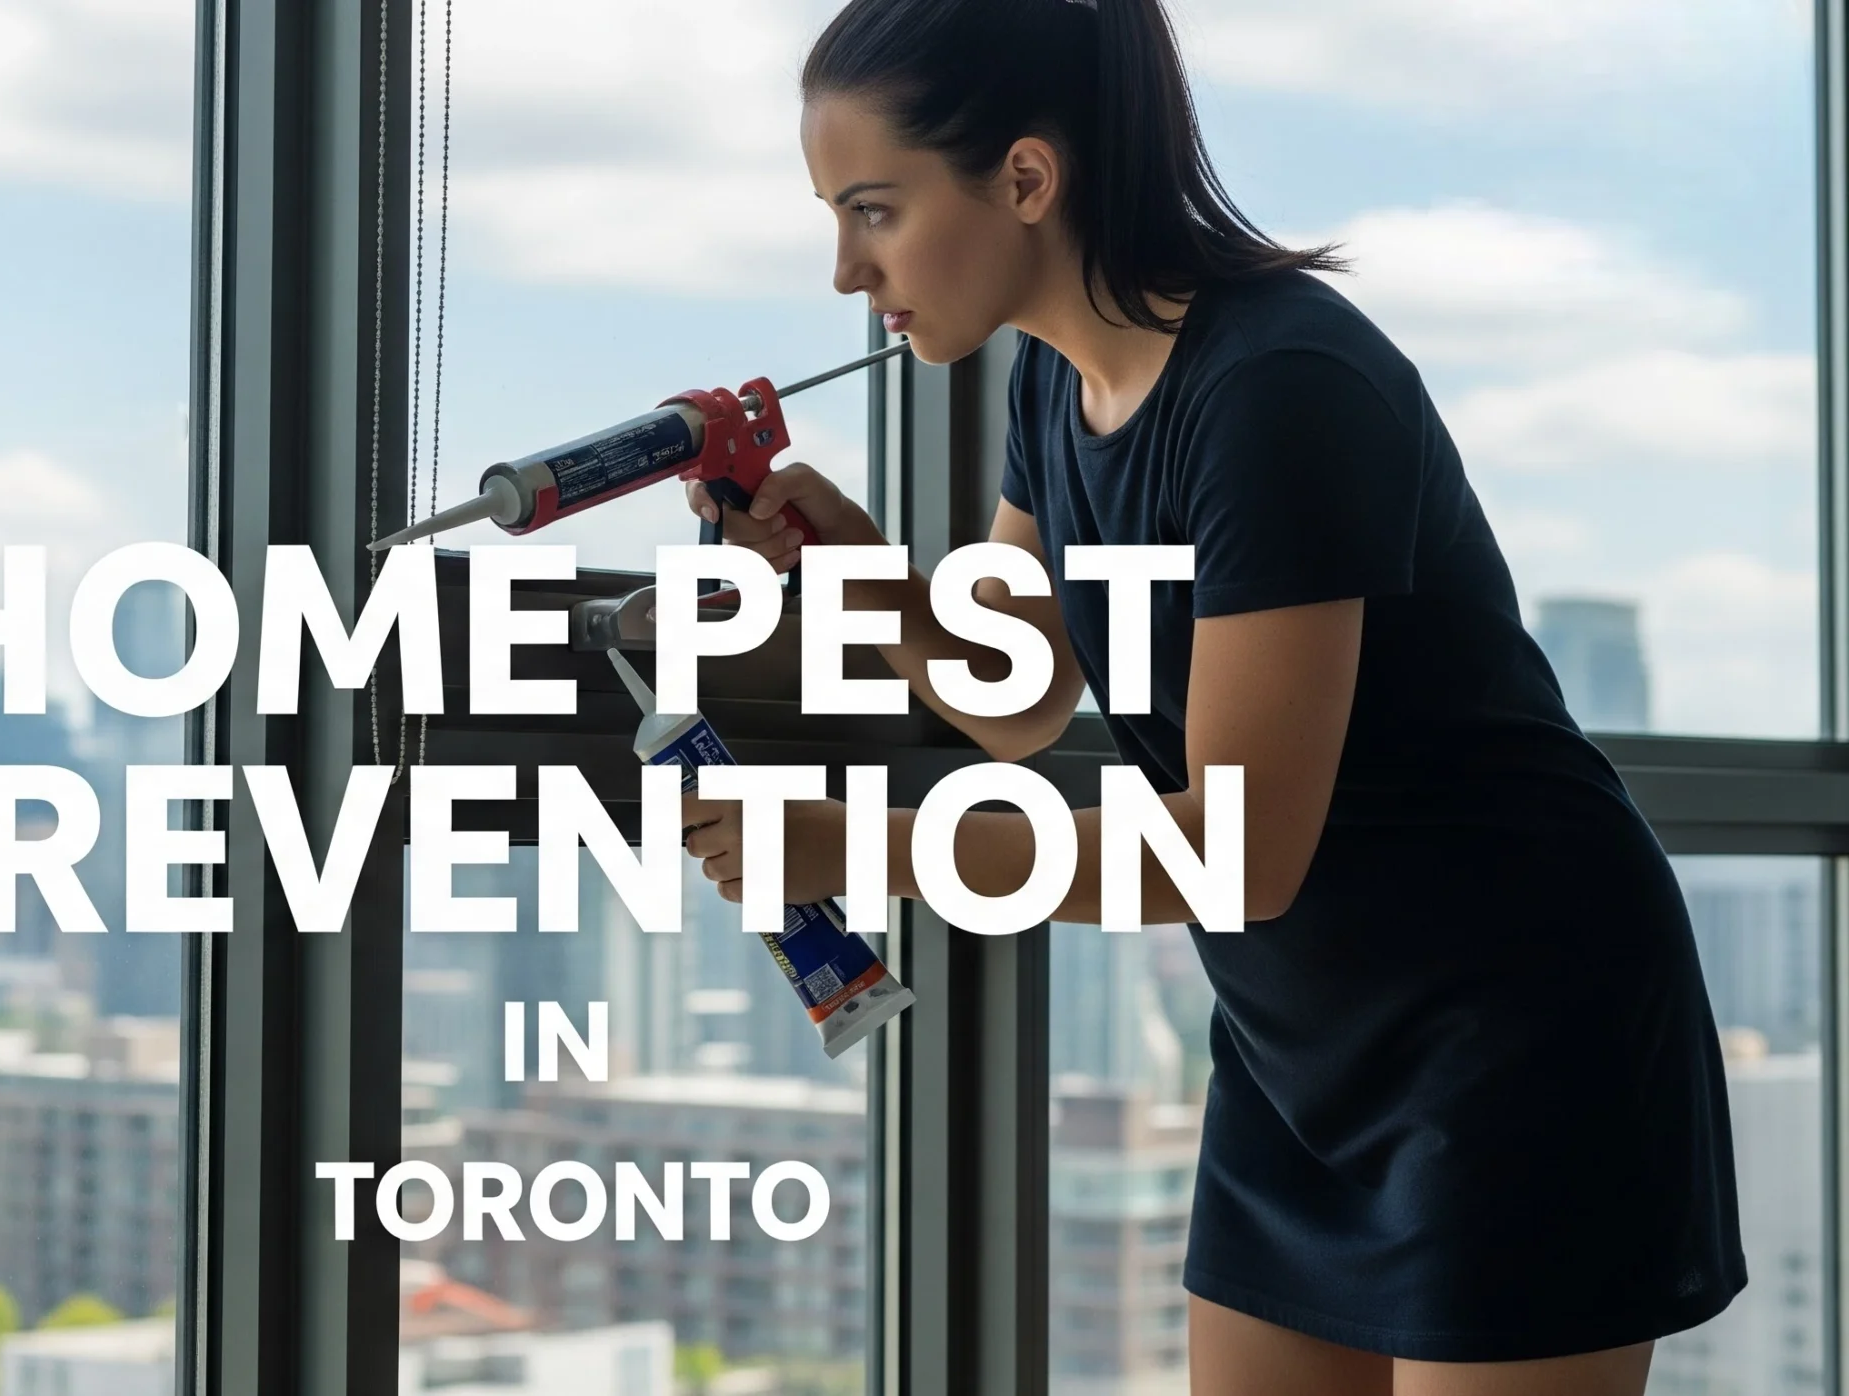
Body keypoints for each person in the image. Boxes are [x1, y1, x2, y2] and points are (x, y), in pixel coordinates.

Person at [674, 0, 1746, 1392]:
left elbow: (1236, 848)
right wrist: (857, 573)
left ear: (1026, 178)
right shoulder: (1054, 388)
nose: (842, 270)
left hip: (1510, 1033)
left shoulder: (1279, 384)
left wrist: (863, 850)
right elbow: (1018, 698)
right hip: (1302, 1049)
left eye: (872, 209)